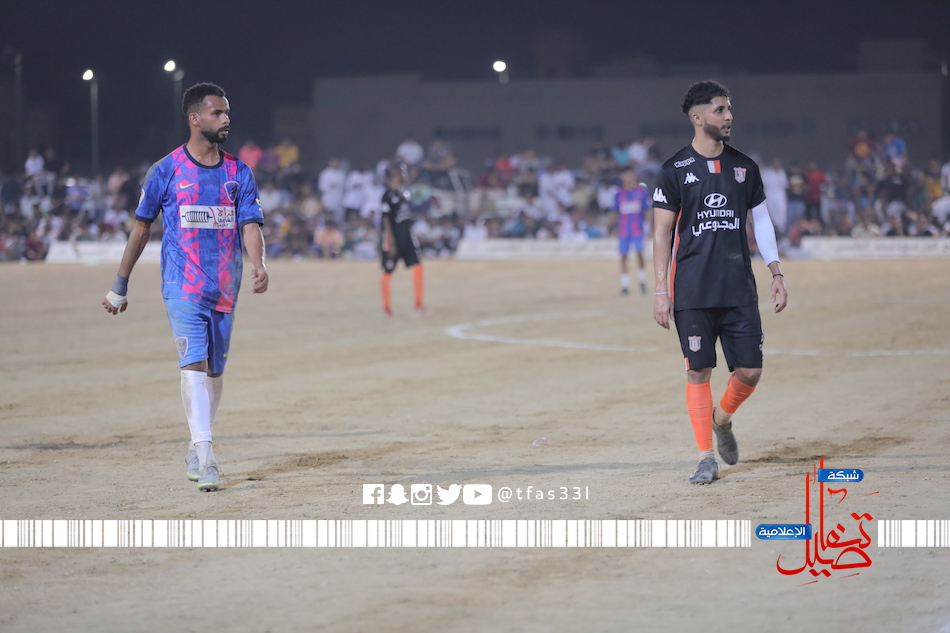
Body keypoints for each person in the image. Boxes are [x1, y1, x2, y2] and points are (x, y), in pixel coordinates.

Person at [101, 83, 268, 492]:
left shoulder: (238, 172)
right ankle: (207, 456)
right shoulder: (166, 170)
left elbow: (250, 224)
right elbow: (141, 229)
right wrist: (120, 283)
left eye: (227, 112)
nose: (226, 119)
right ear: (195, 119)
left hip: (225, 287)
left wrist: (259, 264)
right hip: (182, 285)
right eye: (217, 113)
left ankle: (196, 443)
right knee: (192, 363)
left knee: (215, 371)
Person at [651, 80, 787, 485]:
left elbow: (761, 221)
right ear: (698, 117)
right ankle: (705, 458)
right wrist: (661, 291)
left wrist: (776, 271)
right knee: (699, 371)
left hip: (738, 286)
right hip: (692, 289)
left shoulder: (745, 167)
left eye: (729, 109)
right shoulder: (674, 170)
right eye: (720, 110)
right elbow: (661, 234)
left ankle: (722, 419)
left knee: (750, 372)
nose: (729, 117)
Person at [379, 165, 425, 317]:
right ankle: (387, 308)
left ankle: (418, 304)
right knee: (387, 272)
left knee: (418, 266)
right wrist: (390, 242)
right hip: (394, 239)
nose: (406, 176)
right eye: (403, 173)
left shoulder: (405, 194)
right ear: (397, 175)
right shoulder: (387, 196)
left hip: (408, 238)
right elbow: (385, 219)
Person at [612, 166, 651, 294]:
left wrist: (648, 225)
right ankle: (625, 285)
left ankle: (642, 281)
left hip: (637, 229)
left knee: (640, 254)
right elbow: (614, 211)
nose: (629, 178)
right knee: (623, 256)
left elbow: (647, 209)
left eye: (631, 175)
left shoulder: (641, 192)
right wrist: (610, 227)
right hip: (623, 230)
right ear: (622, 177)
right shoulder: (619, 194)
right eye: (627, 175)